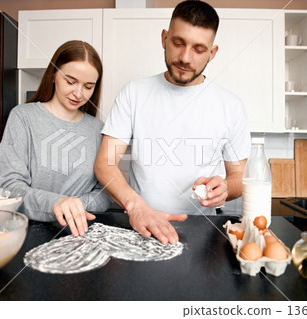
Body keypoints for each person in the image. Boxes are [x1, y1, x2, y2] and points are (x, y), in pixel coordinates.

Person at [94, 1, 251, 244]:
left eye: (199, 49)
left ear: (213, 53)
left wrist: (226, 189)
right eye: (178, 43)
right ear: (164, 38)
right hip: (141, 227)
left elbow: (239, 176)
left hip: (201, 234)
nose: (185, 58)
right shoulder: (134, 93)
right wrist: (136, 207)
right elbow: (105, 164)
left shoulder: (230, 106)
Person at [0, 40, 111, 237]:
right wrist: (56, 204)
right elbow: (11, 188)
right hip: (29, 232)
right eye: (70, 81)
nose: (78, 93)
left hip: (82, 233)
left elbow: (105, 192)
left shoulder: (97, 128)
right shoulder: (23, 117)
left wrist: (73, 207)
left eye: (88, 86)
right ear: (53, 75)